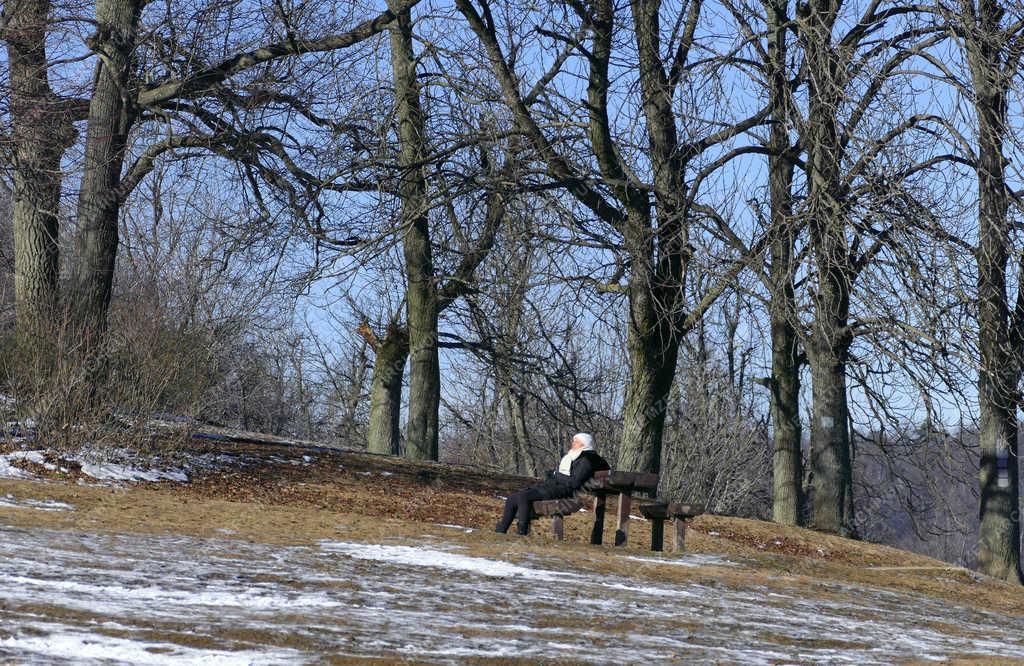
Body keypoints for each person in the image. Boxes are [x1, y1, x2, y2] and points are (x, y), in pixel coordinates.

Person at [495, 433, 610, 536]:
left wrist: (556, 474)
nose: (572, 443)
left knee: (523, 497)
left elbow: (574, 483)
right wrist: (554, 476)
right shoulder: (577, 456)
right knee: (512, 498)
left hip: (564, 490)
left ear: (583, 445)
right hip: (555, 486)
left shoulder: (586, 460)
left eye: (576, 441)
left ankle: (522, 531)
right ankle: (501, 530)